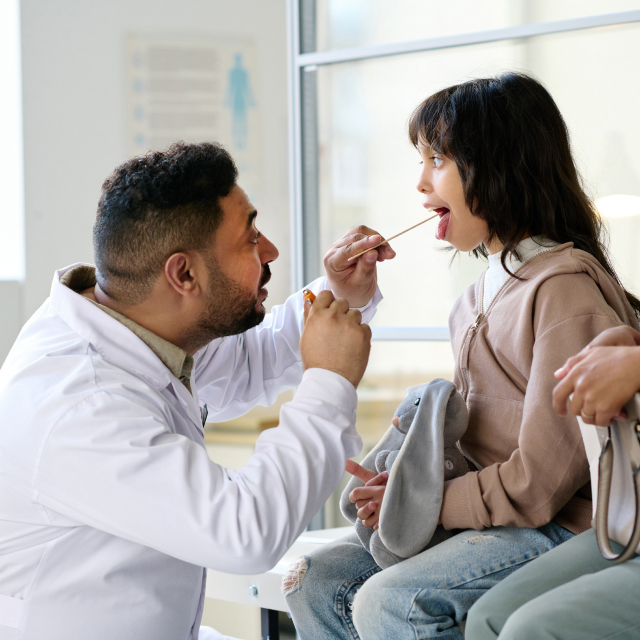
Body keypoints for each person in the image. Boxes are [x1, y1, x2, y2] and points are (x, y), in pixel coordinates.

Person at [284, 72, 640, 640]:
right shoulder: (474, 298)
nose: (422, 184)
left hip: (559, 529)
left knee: (391, 603)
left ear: (498, 167)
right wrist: (404, 488)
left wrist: (427, 504)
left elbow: (542, 484)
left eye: (438, 160)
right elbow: (482, 450)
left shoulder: (563, 290)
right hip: (496, 519)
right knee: (313, 579)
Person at [0, 141, 397, 640]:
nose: (271, 251)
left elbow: (249, 361)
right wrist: (329, 384)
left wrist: (336, 294)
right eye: (251, 239)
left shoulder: (134, 327)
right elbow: (243, 531)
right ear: (184, 273)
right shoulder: (79, 405)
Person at [466, 324, 640, 640]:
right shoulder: (470, 304)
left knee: (529, 631)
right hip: (627, 522)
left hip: (569, 519)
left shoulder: (560, 292)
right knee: (486, 620)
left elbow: (536, 487)